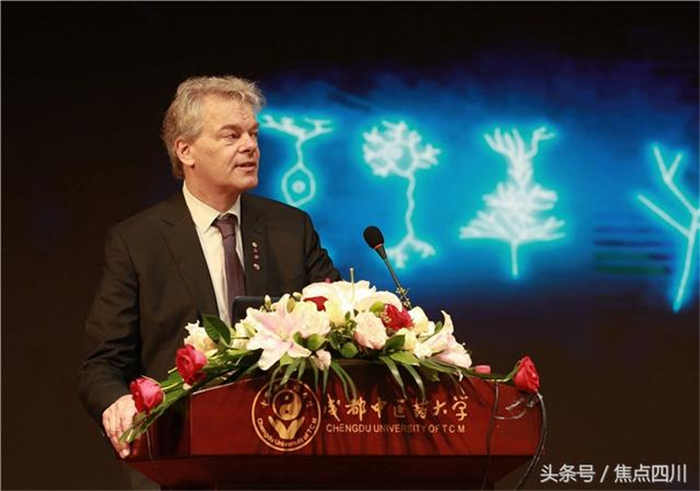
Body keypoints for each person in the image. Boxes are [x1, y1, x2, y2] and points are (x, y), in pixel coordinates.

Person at [78, 76, 341, 486]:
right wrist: (118, 403)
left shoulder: (291, 229)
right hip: (179, 459)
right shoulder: (137, 242)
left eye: (253, 134)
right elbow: (103, 365)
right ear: (185, 150)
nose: (250, 146)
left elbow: (340, 322)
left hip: (283, 454)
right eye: (231, 135)